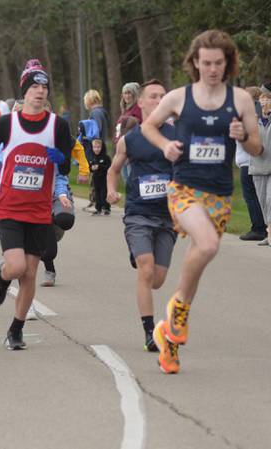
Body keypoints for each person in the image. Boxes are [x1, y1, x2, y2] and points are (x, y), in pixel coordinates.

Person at [141, 30, 261, 374]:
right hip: (184, 189)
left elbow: (256, 147)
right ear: (195, 62)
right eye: (206, 63)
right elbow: (149, 126)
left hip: (221, 194)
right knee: (206, 245)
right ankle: (176, 312)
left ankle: (171, 338)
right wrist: (165, 146)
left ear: (228, 63)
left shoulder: (239, 100)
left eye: (218, 63)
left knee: (199, 261)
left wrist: (243, 137)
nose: (212, 69)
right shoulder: (179, 98)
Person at [0, 60, 74, 350]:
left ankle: (16, 329)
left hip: (39, 208)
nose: (40, 92)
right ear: (24, 92)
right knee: (16, 266)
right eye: (34, 87)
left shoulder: (59, 125)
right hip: (10, 206)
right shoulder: (8, 123)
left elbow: (67, 165)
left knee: (30, 272)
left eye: (44, 87)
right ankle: (2, 278)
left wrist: (61, 160)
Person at [106, 79, 177, 352]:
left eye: (163, 96)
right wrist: (112, 190)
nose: (159, 100)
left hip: (167, 217)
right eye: (154, 96)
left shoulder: (176, 135)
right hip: (138, 214)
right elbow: (113, 170)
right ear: (142, 103)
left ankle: (139, 254)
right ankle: (149, 333)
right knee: (146, 269)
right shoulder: (130, 139)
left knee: (157, 280)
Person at [249, 91, 271, 244]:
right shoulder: (254, 121)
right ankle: (268, 230)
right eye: (262, 99)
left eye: (267, 98)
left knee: (270, 199)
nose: (264, 101)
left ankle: (270, 233)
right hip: (257, 166)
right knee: (263, 201)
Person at [89, 138, 111, 215]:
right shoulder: (92, 158)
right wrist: (91, 168)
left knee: (104, 194)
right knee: (97, 194)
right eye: (95, 147)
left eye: (98, 147)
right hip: (96, 179)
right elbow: (90, 168)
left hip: (104, 179)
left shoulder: (106, 157)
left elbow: (109, 167)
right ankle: (98, 209)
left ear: (102, 147)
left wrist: (99, 167)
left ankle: (106, 208)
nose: (96, 149)